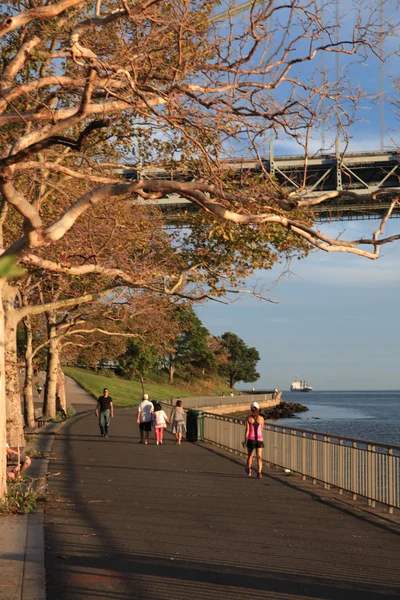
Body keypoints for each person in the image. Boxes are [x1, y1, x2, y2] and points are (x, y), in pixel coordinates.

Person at [244, 401, 265, 479]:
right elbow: (261, 429)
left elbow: (247, 430)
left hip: (251, 439)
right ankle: (259, 473)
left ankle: (249, 470)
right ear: (258, 409)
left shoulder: (248, 418)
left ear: (251, 409)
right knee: (259, 456)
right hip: (259, 439)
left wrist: (245, 440)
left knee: (250, 456)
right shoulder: (262, 419)